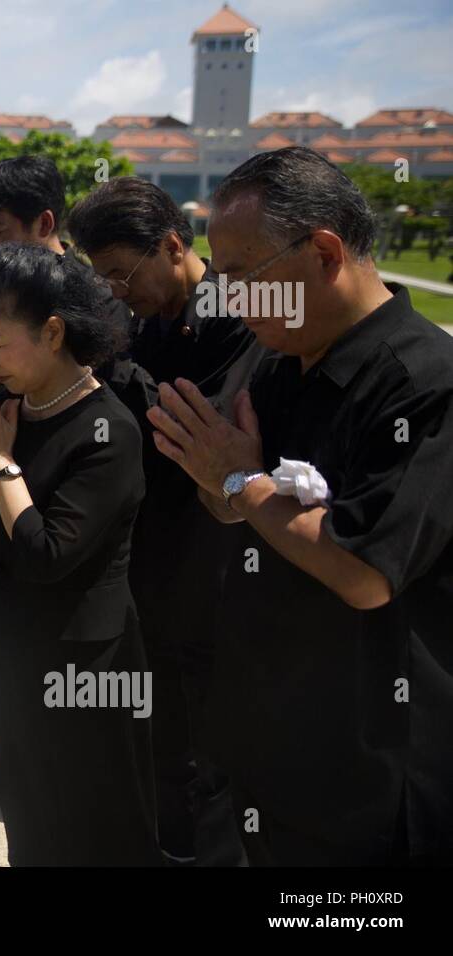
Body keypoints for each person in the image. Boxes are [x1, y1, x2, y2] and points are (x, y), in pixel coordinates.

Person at [148, 146, 453, 865]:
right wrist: (228, 484)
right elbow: (222, 490)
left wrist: (241, 483)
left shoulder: (425, 384)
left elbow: (364, 571)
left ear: (323, 251)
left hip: (367, 773)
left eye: (241, 275)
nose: (227, 299)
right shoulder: (279, 361)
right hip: (264, 739)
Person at [67, 176, 260, 865]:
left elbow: (194, 430)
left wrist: (114, 367)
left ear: (174, 246)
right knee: (153, 733)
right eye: (102, 280)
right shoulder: (139, 318)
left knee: (209, 744)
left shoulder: (239, 319)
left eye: (122, 273)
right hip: (143, 563)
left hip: (210, 563)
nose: (115, 291)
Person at [0, 242, 158, 866]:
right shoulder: (10, 411)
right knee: (31, 813)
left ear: (54, 330)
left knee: (92, 818)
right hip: (15, 641)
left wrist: (0, 461)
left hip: (85, 660)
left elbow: (45, 553)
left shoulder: (108, 429)